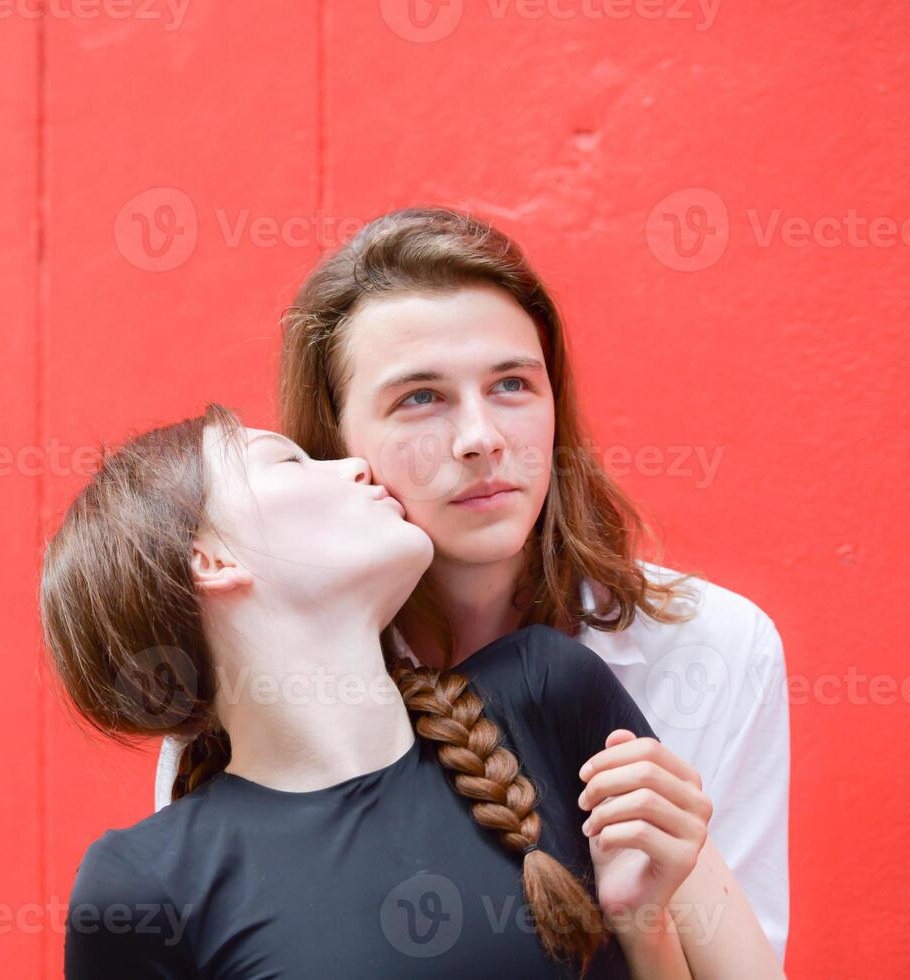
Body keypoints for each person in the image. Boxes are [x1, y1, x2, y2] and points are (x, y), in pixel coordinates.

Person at [154, 208, 790, 963]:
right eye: (420, 398)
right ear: (338, 447)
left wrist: (649, 916)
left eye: (514, 384)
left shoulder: (709, 646)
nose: (481, 438)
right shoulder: (256, 689)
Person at [42, 405, 783, 978]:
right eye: (290, 462)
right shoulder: (143, 886)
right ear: (210, 559)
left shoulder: (550, 690)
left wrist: (644, 925)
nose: (355, 468)